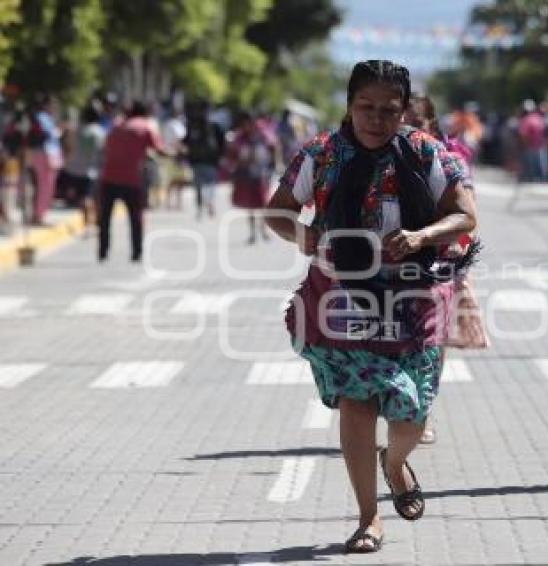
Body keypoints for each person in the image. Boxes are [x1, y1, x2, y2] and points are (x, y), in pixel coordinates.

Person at [265, 60, 477, 553]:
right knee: (356, 406)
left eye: (389, 110)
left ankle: (396, 463)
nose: (376, 119)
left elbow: (466, 215)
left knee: (412, 414)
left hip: (413, 297)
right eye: (366, 107)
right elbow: (277, 211)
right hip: (343, 299)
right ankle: (368, 518)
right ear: (348, 105)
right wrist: (306, 234)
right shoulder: (322, 154)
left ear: (405, 111)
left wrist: (424, 234)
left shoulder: (428, 153)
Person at [404, 94, 489, 445]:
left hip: (441, 263)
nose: (407, 132)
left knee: (432, 342)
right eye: (401, 123)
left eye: (416, 124)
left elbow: (467, 214)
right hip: (392, 267)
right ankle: (401, 409)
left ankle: (422, 412)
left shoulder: (447, 160)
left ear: (432, 127)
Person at [98, 100, 172, 262]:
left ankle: (103, 251)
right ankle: (136, 252)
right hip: (132, 179)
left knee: (105, 217)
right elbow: (159, 150)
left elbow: (105, 149)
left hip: (109, 176)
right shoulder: (145, 127)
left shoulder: (115, 126)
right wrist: (175, 153)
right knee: (135, 218)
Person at [227, 111, 277, 243]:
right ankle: (252, 233)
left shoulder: (263, 135)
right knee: (250, 206)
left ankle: (264, 230)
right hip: (247, 175)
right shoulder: (241, 138)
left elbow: (273, 147)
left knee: (263, 204)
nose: (246, 127)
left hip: (262, 174)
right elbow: (233, 154)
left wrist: (272, 165)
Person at [60, 103, 105, 236]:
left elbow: (67, 146)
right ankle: (91, 223)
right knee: (89, 198)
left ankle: (89, 223)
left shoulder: (77, 130)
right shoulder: (99, 132)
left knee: (83, 199)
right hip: (91, 170)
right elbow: (103, 151)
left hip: (75, 169)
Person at [184, 100, 225, 218]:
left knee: (198, 186)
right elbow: (222, 143)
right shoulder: (215, 125)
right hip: (211, 160)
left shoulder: (193, 125)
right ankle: (210, 202)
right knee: (210, 183)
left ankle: (199, 208)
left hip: (196, 160)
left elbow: (187, 142)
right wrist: (220, 157)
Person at [26, 94, 63, 225]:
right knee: (44, 186)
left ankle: (39, 215)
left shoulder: (44, 117)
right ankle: (38, 216)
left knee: (45, 186)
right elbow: (49, 134)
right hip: (45, 155)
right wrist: (59, 131)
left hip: (46, 154)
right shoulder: (42, 117)